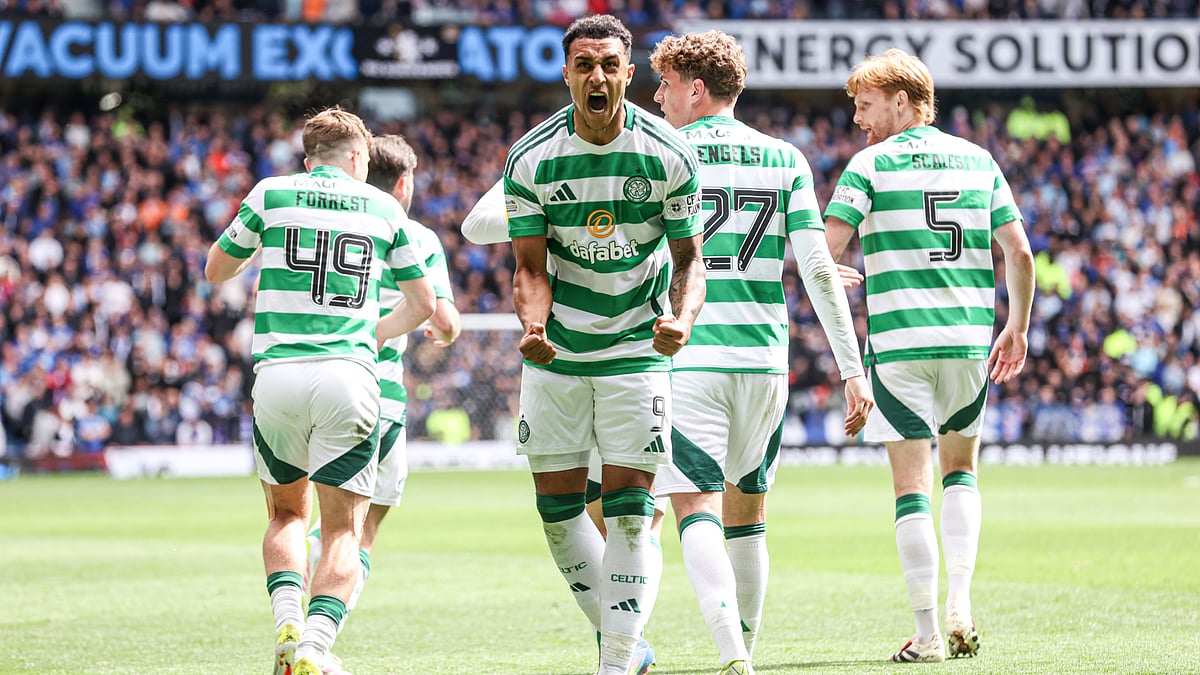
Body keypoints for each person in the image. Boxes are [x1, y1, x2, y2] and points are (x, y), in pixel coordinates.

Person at [648, 31, 874, 675]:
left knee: (694, 505)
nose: (657, 98)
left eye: (665, 85)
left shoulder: (658, 152)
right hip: (763, 363)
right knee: (749, 511)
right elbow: (819, 269)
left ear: (696, 89)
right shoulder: (785, 158)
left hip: (688, 357)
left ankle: (732, 656)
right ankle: (747, 647)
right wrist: (852, 371)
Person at [504, 14, 705, 675]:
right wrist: (532, 327)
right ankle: (629, 642)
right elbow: (530, 268)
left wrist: (684, 317)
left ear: (628, 73)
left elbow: (690, 259)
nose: (596, 75)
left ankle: (616, 659)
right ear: (566, 74)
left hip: (636, 350)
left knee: (628, 513)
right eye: (583, 64)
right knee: (558, 514)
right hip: (557, 352)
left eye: (608, 64)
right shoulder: (530, 158)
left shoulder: (669, 153)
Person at [204, 108, 436, 675]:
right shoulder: (383, 206)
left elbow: (216, 270)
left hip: (278, 375)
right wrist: (371, 331)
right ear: (359, 158)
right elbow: (425, 304)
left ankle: (286, 617)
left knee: (286, 515)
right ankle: (314, 644)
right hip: (349, 377)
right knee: (342, 529)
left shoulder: (272, 194)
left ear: (309, 160)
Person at [823, 49, 1035, 663]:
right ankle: (962, 599)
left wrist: (831, 274)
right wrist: (1016, 326)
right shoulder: (980, 160)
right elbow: (1019, 254)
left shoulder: (868, 166)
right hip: (970, 342)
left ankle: (927, 633)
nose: (859, 119)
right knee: (961, 472)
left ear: (902, 99)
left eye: (865, 105)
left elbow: (824, 250)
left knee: (910, 487)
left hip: (898, 345)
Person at [304, 134, 462, 654]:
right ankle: (316, 640)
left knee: (316, 517)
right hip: (378, 395)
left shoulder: (321, 221)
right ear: (402, 184)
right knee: (357, 531)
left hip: (309, 383)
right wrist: (433, 328)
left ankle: (301, 607)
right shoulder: (412, 234)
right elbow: (443, 323)